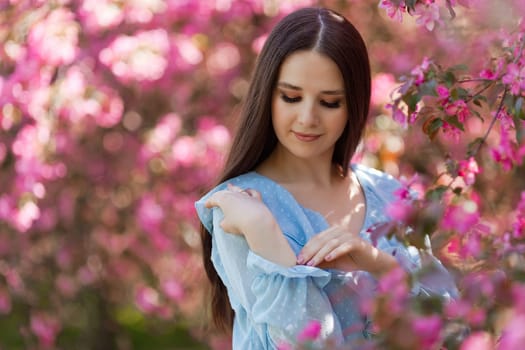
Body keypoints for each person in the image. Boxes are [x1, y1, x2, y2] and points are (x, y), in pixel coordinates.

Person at [195, 7, 457, 349]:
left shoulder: (389, 194)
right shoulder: (238, 209)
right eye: (290, 97)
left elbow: (453, 325)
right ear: (267, 95)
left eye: (330, 103)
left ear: (354, 106)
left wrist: (373, 261)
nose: (307, 118)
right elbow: (306, 343)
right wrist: (266, 235)